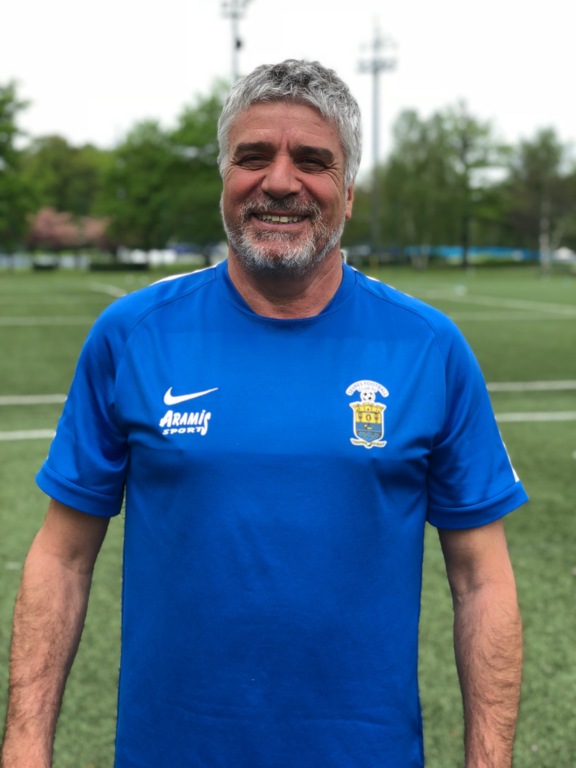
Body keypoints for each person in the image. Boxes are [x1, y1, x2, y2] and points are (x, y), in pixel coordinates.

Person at [1, 59, 527, 768]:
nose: (279, 181)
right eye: (253, 157)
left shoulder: (429, 347)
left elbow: (481, 579)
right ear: (224, 177)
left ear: (348, 191)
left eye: (312, 160)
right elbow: (62, 558)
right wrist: (24, 746)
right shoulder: (132, 335)